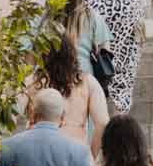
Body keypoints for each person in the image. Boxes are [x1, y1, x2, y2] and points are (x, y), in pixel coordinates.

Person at [28, 21, 110, 155]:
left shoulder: (33, 82)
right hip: (75, 154)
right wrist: (91, 154)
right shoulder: (87, 82)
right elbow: (103, 122)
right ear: (70, 50)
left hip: (38, 153)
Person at [45, 0, 112, 93]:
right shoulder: (92, 17)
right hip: (84, 82)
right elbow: (106, 52)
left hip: (49, 80)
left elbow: (29, 60)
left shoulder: (42, 21)